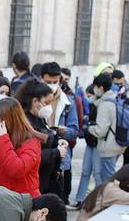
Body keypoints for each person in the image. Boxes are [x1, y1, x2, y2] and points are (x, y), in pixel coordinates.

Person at [16, 79, 65, 212]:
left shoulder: (39, 118)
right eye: (47, 103)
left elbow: (46, 137)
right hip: (34, 182)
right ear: (35, 101)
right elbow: (30, 155)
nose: (49, 107)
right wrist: (56, 152)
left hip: (47, 178)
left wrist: (57, 141)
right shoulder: (24, 122)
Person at [76, 72, 122, 207]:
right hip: (112, 145)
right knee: (106, 177)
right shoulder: (113, 99)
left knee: (106, 178)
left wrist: (88, 129)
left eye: (96, 87)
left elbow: (100, 130)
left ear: (101, 88)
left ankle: (106, 205)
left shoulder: (105, 104)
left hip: (107, 147)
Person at [38, 62, 79, 202]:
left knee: (57, 196)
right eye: (48, 82)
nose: (51, 85)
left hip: (59, 156)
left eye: (54, 82)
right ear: (41, 79)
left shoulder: (68, 103)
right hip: (39, 153)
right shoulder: (34, 99)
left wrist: (63, 131)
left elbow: (74, 131)